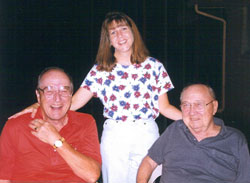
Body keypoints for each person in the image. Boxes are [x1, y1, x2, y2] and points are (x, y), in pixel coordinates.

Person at [9, 12, 182, 183]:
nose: (120, 35)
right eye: (113, 32)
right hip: (115, 134)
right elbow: (73, 102)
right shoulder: (101, 70)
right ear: (108, 40)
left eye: (123, 29)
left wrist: (195, 119)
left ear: (132, 32)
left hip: (146, 132)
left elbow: (164, 107)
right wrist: (35, 106)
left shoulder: (154, 66)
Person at [0, 67, 102, 183]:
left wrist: (56, 140)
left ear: (70, 94)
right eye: (49, 91)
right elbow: (3, 177)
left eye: (64, 91)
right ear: (38, 96)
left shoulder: (85, 122)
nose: (57, 98)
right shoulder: (16, 126)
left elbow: (92, 175)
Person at [137, 84, 250, 183]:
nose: (192, 112)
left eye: (199, 104)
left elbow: (245, 179)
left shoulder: (235, 139)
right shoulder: (175, 130)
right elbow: (149, 161)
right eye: (186, 105)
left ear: (214, 107)